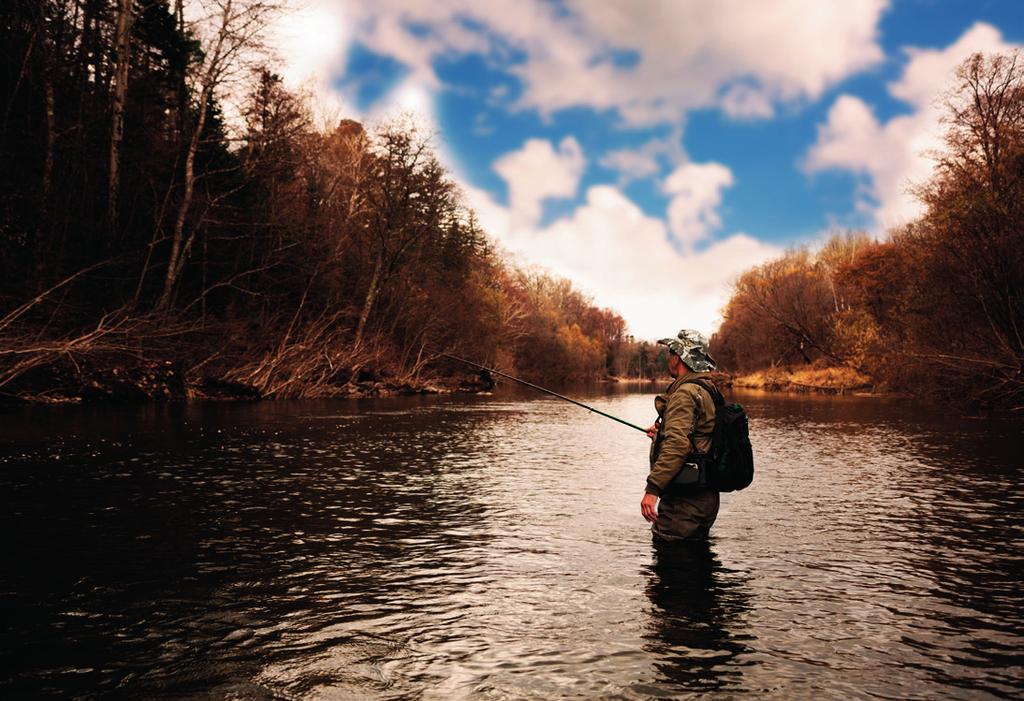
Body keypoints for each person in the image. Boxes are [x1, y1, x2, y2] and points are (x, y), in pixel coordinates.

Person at [640, 329, 720, 542]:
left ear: (679, 357)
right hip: (704, 497)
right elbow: (700, 434)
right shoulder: (706, 387)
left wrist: (652, 489)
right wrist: (661, 434)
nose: (669, 358)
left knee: (673, 566)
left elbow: (677, 445)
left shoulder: (685, 393)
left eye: (671, 352)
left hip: (684, 504)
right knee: (694, 567)